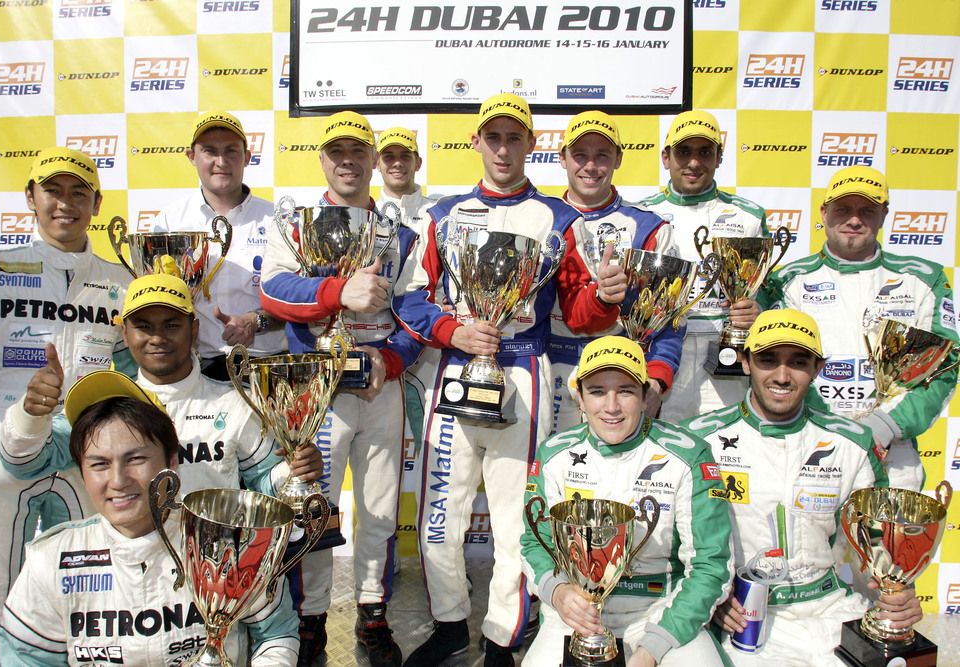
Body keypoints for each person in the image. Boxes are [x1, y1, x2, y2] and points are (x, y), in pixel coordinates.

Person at [394, 93, 628, 667]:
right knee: (437, 517)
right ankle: (449, 625)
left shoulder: (560, 217)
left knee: (513, 520)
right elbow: (409, 300)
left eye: (514, 137)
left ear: (531, 144)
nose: (503, 148)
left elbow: (576, 312)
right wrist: (453, 331)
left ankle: (503, 635)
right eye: (492, 137)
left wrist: (602, 296)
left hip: (525, 370)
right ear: (476, 142)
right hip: (455, 370)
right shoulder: (442, 214)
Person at [0, 147, 135, 666]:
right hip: (3, 440)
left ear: (97, 203)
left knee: (89, 589)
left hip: (88, 448)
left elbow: (132, 368)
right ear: (30, 199)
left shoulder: (121, 281)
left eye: (79, 193)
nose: (66, 204)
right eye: (53, 191)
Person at [260, 111, 422, 667]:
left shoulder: (400, 232)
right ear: (322, 158)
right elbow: (274, 292)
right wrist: (337, 290)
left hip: (380, 387)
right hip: (316, 386)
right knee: (313, 507)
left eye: (359, 149)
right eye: (336, 151)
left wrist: (395, 360)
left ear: (376, 158)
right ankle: (310, 623)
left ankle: (372, 613)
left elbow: (419, 309)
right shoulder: (295, 223)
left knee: (378, 508)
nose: (347, 159)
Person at [0, 374, 302, 665]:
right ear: (81, 470)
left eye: (135, 459)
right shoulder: (52, 558)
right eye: (99, 464)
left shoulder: (227, 544)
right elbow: (27, 659)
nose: (118, 481)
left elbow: (276, 634)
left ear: (172, 462)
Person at [682, 309, 922, 666]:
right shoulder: (699, 440)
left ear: (818, 368)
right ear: (746, 362)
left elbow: (876, 550)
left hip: (831, 610)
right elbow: (677, 547)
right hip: (746, 619)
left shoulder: (853, 444)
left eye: (798, 362)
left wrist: (899, 594)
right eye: (767, 360)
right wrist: (710, 600)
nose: (781, 376)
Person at [0, 272, 319, 498]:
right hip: (131, 579)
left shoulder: (237, 403)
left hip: (212, 574)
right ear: (124, 335)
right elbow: (24, 464)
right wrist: (31, 415)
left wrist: (295, 471)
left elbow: (262, 486)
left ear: (194, 331)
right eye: (143, 326)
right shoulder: (105, 407)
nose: (157, 337)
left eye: (171, 324)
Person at [521, 335, 734, 667]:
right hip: (574, 614)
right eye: (597, 391)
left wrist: (652, 648)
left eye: (625, 391)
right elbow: (533, 544)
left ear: (646, 395)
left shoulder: (689, 456)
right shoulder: (553, 456)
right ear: (579, 397)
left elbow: (710, 566)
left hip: (661, 612)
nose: (611, 406)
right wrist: (558, 594)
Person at [758, 166, 958, 491]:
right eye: (843, 209)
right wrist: (826, 426)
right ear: (823, 212)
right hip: (810, 445)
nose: (854, 220)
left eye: (867, 210)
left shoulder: (923, 279)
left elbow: (944, 369)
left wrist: (884, 425)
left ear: (884, 215)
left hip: (891, 451)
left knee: (885, 544)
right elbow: (766, 367)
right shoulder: (784, 281)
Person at [549, 110, 679, 433]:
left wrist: (657, 380)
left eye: (602, 155)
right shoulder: (540, 220)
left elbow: (671, 318)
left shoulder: (649, 227)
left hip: (621, 377)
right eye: (580, 154)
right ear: (562, 158)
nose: (590, 166)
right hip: (551, 370)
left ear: (619, 159)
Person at [641, 110, 767, 423]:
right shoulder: (642, 213)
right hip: (664, 348)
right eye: (684, 152)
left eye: (705, 152)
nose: (694, 162)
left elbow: (766, 287)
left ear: (719, 157)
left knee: (728, 443)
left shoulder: (748, 216)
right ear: (665, 157)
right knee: (662, 445)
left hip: (727, 351)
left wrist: (756, 308)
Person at [151, 110, 287, 381]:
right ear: (192, 156)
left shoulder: (279, 220)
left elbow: (296, 301)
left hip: (267, 368)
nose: (221, 161)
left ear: (247, 157)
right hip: (193, 369)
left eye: (232, 151)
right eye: (209, 151)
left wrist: (254, 321)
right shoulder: (170, 220)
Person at [375, 126, 442, 451]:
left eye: (405, 156)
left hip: (428, 347)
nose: (397, 163)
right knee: (383, 452)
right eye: (389, 156)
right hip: (379, 340)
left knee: (429, 445)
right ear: (377, 162)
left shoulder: (440, 214)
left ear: (418, 161)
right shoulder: (364, 215)